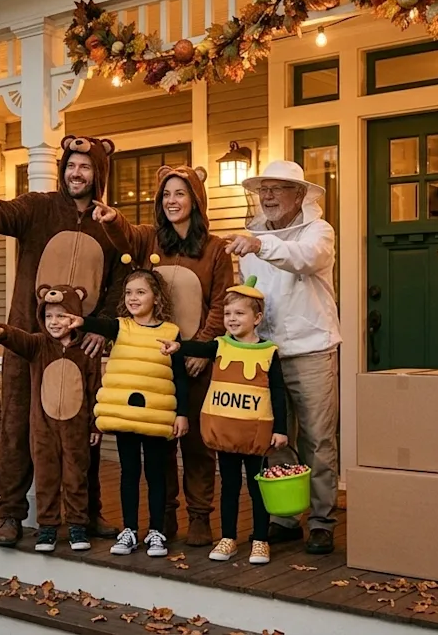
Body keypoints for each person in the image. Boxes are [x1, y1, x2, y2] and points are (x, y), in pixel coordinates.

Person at [0, 135, 122, 546]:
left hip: (77, 349)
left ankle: (88, 512)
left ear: (99, 173)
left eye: (85, 166)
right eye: (71, 165)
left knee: (82, 433)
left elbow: (117, 284)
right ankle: (9, 515)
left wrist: (99, 327)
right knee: (16, 426)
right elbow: (3, 213)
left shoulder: (109, 224)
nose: (76, 173)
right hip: (29, 339)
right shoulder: (40, 207)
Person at [91, 165, 233, 546]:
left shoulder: (215, 250)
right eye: (166, 194)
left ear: (196, 200)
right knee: (160, 440)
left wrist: (201, 347)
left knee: (197, 443)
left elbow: (221, 303)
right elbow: (125, 235)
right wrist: (112, 217)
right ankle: (164, 515)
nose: (172, 201)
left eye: (180, 193)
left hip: (194, 360)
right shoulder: (151, 240)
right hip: (154, 361)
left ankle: (199, 515)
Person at [225, 160, 342, 555]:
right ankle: (286, 517)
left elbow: (303, 258)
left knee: (317, 439)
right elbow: (250, 294)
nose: (268, 196)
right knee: (274, 439)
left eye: (277, 188)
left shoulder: (318, 231)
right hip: (266, 355)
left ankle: (322, 521)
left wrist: (259, 245)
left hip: (311, 350)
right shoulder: (253, 239)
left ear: (300, 194)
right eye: (264, 189)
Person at [64, 257, 189, 558]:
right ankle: (130, 530)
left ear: (156, 298)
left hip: (157, 416)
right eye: (129, 293)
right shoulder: (121, 327)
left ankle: (156, 531)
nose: (133, 298)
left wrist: (182, 413)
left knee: (157, 474)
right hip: (126, 415)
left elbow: (180, 376)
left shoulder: (171, 332)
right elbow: (102, 324)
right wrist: (81, 321)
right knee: (129, 472)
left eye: (141, 292)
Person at [159, 276, 288, 565]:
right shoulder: (219, 345)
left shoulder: (268, 352)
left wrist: (280, 429)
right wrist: (178, 347)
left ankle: (260, 539)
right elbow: (200, 348)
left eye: (239, 313)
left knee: (257, 488)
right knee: (229, 485)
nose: (232, 318)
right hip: (226, 432)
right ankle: (228, 537)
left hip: (255, 433)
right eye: (228, 313)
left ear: (257, 318)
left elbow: (278, 392)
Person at [0, 284, 102, 553]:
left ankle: (77, 526)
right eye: (48, 316)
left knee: (76, 477)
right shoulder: (39, 345)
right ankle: (47, 527)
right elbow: (19, 338)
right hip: (43, 428)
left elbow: (95, 389)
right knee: (47, 478)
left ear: (75, 317)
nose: (54, 322)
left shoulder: (86, 351)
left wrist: (95, 425)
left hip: (76, 428)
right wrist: (3, 332)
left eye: (61, 316)